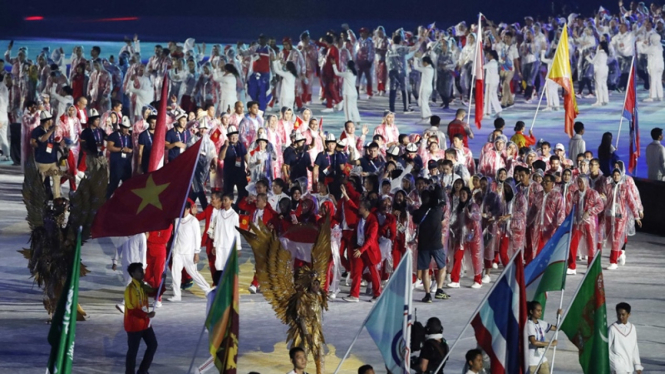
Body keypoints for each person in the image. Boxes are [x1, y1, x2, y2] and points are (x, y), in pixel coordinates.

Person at [168, 200, 211, 301]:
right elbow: (176, 236)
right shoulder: (177, 220)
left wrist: (196, 252)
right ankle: (177, 295)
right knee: (175, 274)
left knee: (193, 273)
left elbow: (197, 238)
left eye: (184, 210)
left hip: (189, 253)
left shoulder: (193, 221)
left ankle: (208, 290)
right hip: (178, 252)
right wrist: (173, 250)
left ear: (188, 209)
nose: (181, 212)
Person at [342, 196, 382, 303]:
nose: (359, 208)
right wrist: (346, 195)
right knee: (356, 271)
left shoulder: (373, 221)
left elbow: (371, 239)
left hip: (369, 251)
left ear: (366, 209)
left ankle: (378, 294)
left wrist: (361, 250)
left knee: (373, 272)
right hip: (359, 248)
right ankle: (354, 295)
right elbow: (352, 206)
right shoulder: (360, 216)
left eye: (361, 207)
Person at [414, 184, 448, 302]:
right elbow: (444, 224)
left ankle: (427, 295)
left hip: (423, 245)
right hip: (436, 244)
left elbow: (415, 221)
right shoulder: (438, 210)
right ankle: (439, 289)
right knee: (442, 266)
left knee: (425, 270)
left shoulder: (419, 212)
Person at [124, 262, 158, 374]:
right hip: (134, 325)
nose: (142, 273)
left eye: (142, 270)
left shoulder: (142, 286)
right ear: (133, 273)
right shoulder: (130, 289)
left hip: (145, 324)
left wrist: (161, 282)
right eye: (139, 271)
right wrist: (146, 315)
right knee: (133, 352)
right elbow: (131, 309)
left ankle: (143, 370)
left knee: (153, 345)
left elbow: (155, 292)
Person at [112, 234, 147, 314]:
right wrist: (115, 261)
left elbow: (143, 251)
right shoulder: (123, 234)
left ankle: (124, 304)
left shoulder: (141, 235)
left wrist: (143, 266)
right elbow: (118, 248)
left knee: (130, 284)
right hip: (125, 264)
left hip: (136, 265)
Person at [30, 111, 61, 199]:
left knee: (56, 178)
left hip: (53, 160)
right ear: (47, 121)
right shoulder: (37, 131)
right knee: (40, 181)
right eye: (50, 120)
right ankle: (36, 198)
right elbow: (42, 139)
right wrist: (51, 131)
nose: (52, 121)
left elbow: (56, 141)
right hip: (42, 161)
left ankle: (57, 198)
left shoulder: (52, 130)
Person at [208, 193, 242, 273]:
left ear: (231, 201)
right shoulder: (219, 213)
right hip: (220, 244)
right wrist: (215, 245)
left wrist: (238, 248)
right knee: (219, 265)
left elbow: (237, 232)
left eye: (226, 200)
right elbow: (217, 230)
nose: (224, 202)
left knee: (228, 266)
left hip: (229, 245)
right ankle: (218, 283)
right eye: (223, 200)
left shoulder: (234, 215)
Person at [609, 302, 643, 374]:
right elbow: (605, 347)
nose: (621, 317)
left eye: (623, 315)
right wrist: (615, 361)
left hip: (629, 366)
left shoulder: (632, 328)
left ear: (628, 315)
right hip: (617, 366)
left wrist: (637, 365)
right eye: (619, 314)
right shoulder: (612, 328)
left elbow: (634, 347)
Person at [527, 301, 560, 374]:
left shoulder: (542, 323)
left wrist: (558, 316)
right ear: (531, 311)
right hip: (532, 361)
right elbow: (534, 342)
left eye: (541, 311)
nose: (540, 313)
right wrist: (551, 343)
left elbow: (557, 328)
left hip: (542, 359)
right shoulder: (529, 324)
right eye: (538, 311)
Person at [220, 126, 249, 202]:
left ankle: (239, 209)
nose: (234, 138)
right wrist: (226, 147)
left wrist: (248, 166)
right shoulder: (225, 146)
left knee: (243, 194)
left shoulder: (241, 145)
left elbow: (246, 155)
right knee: (228, 195)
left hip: (240, 173)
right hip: (229, 175)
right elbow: (221, 157)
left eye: (235, 135)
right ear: (228, 137)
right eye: (232, 136)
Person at [106, 117, 133, 198]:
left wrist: (130, 150)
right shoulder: (113, 135)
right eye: (125, 128)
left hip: (126, 164)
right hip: (116, 164)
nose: (126, 130)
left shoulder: (129, 137)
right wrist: (121, 149)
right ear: (120, 127)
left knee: (127, 184)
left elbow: (132, 147)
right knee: (113, 184)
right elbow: (109, 147)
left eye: (127, 128)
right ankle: (106, 202)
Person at [587, 41, 610, 106]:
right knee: (604, 85)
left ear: (601, 46)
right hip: (605, 69)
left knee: (598, 85)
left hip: (600, 69)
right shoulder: (606, 53)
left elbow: (592, 61)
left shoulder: (599, 53)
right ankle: (606, 100)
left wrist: (587, 57)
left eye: (599, 45)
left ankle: (599, 101)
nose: (598, 46)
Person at [414, 55, 434, 121]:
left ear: (426, 62)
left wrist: (416, 58)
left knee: (424, 102)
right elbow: (420, 66)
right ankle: (426, 115)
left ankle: (426, 115)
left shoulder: (426, 69)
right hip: (429, 88)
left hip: (425, 88)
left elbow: (416, 67)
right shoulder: (431, 69)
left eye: (423, 62)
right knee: (425, 102)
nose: (422, 64)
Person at [483, 50, 502, 117]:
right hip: (494, 81)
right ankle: (498, 110)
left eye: (488, 55)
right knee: (493, 96)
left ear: (491, 56)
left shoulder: (491, 63)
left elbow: (482, 67)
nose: (487, 56)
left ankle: (487, 112)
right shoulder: (495, 63)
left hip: (490, 82)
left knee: (488, 96)